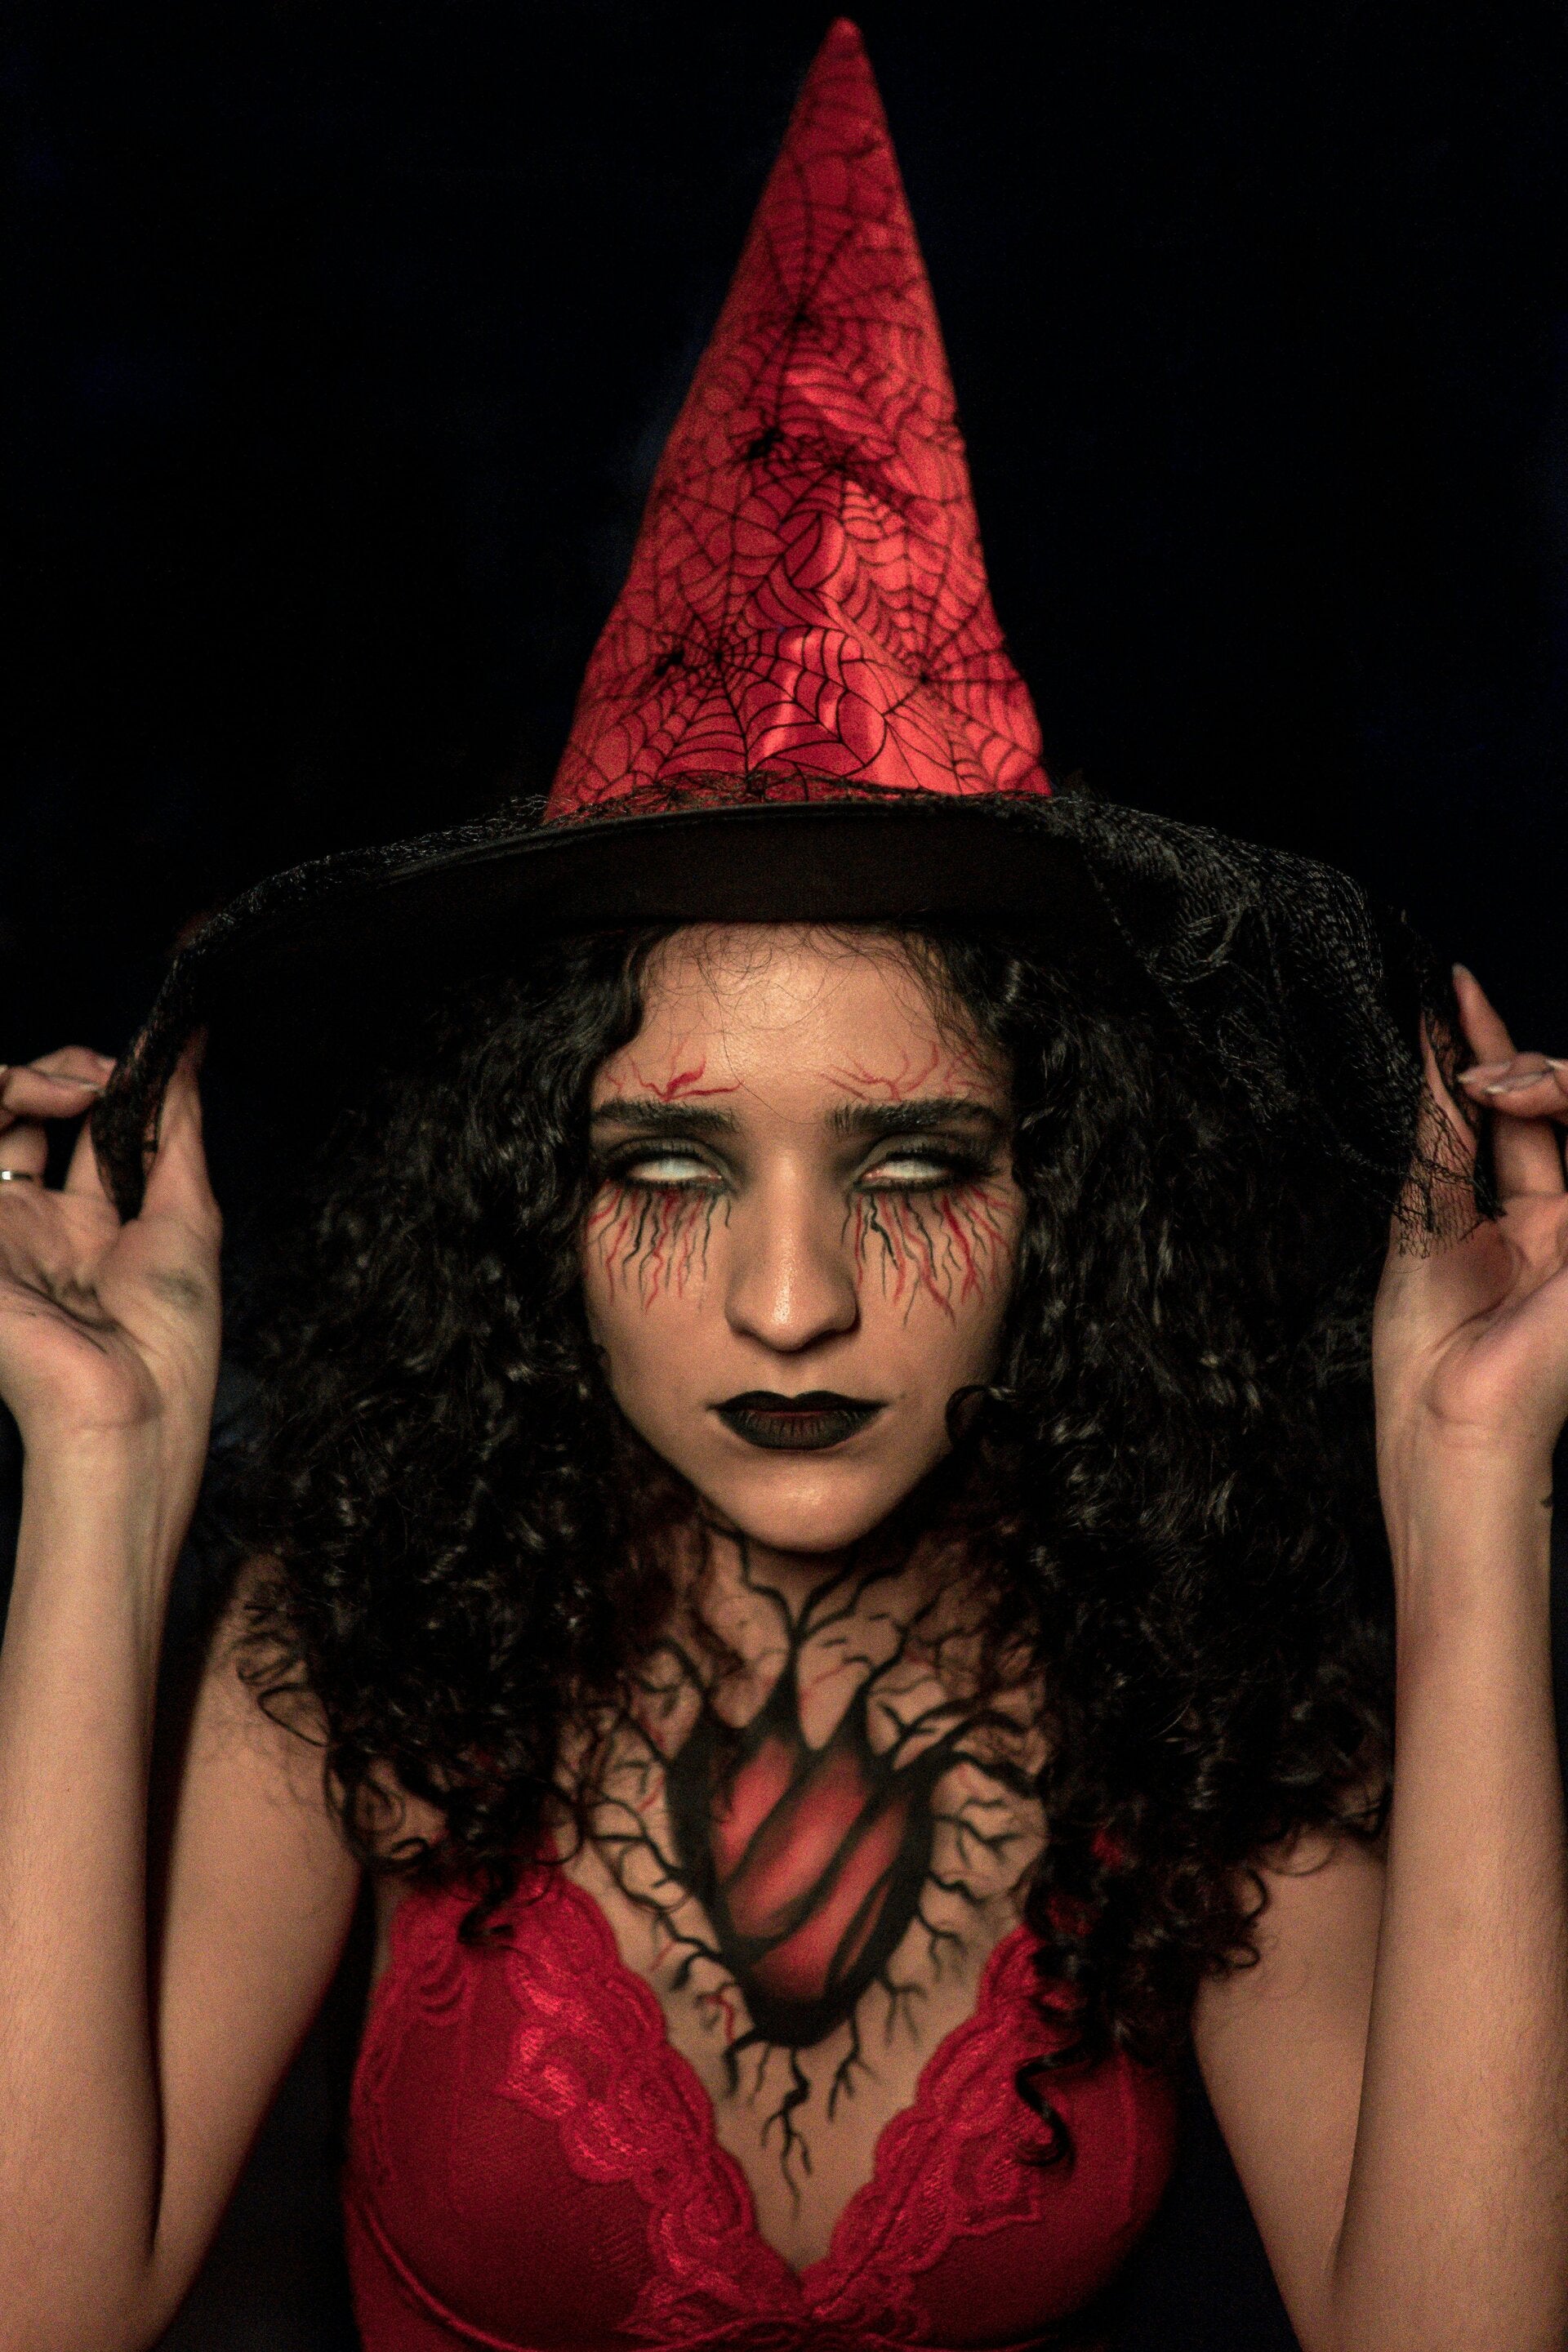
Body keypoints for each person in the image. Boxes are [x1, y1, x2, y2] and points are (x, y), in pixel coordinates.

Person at [2, 21, 1566, 2352]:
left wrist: (1468, 1484)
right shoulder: (368, 1638)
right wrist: (103, 1473)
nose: (794, 1302)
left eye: (915, 1163)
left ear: (1068, 1200)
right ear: (534, 1198)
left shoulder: (1199, 1683)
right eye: (668, 1164)